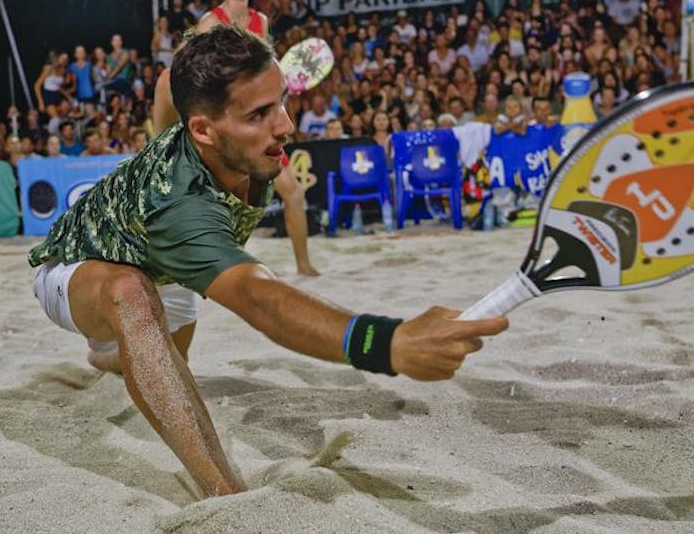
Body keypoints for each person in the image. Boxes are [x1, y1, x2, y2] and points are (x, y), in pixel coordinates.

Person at [27, 27, 507, 497]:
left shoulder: (234, 141)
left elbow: (168, 83)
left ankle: (107, 355)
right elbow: (260, 299)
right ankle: (226, 495)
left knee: (163, 361)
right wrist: (387, 343)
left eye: (281, 101)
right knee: (131, 298)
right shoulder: (181, 205)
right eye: (259, 113)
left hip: (162, 267)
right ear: (202, 129)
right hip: (77, 267)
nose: (286, 125)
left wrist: (209, 48)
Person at [159, 0, 318, 277]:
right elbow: (191, 78)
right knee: (226, 206)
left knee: (293, 193)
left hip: (257, 128)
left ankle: (304, 267)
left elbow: (264, 74)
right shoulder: (210, 23)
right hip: (225, 130)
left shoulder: (260, 21)